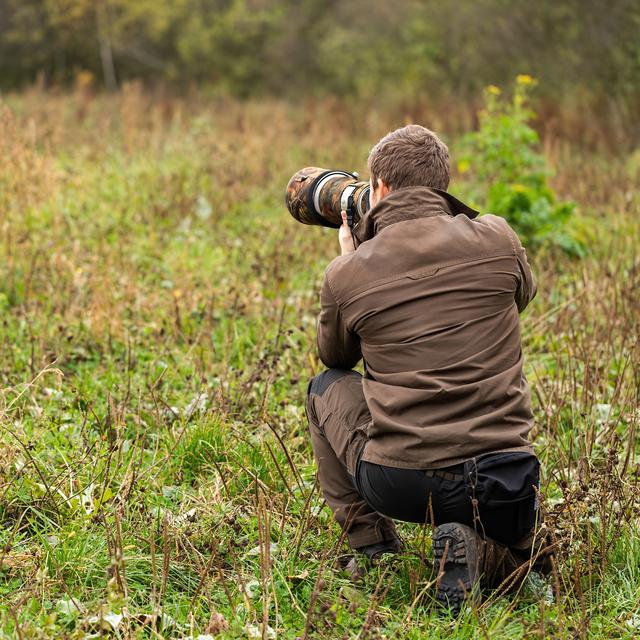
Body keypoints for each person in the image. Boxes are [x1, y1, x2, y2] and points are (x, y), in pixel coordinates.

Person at [305, 124, 553, 613]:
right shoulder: (499, 236)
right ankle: (494, 546)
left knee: (324, 388)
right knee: (510, 537)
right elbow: (522, 294)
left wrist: (351, 262)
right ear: (443, 184)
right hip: (506, 474)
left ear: (377, 188)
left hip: (402, 483)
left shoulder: (349, 272)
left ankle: (375, 551)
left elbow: (335, 359)